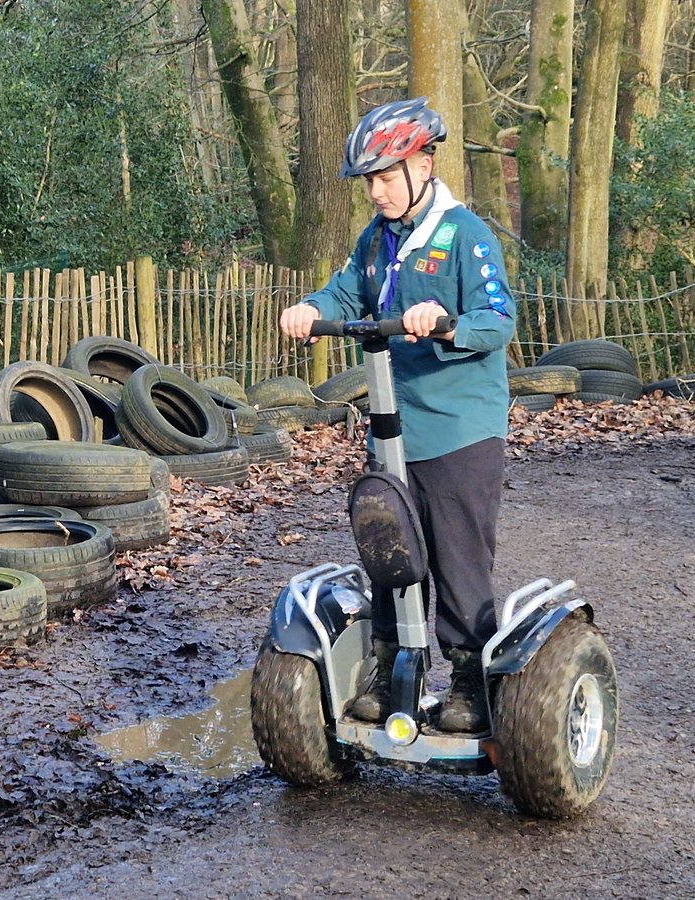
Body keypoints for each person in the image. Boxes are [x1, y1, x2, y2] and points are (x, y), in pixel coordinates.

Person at [279, 97, 516, 734]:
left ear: (423, 162)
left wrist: (445, 323)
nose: (376, 191)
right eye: (369, 181)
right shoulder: (377, 239)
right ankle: (391, 671)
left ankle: (468, 680)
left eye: (386, 176)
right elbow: (344, 289)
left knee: (458, 556)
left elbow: (498, 321)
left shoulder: (466, 234)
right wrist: (309, 306)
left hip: (460, 427)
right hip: (393, 429)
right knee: (387, 546)